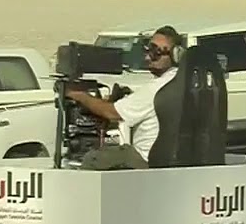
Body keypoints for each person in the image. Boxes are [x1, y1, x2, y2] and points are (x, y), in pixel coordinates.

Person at [66, 25, 182, 169]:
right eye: (148, 50)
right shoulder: (183, 82)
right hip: (170, 161)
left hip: (146, 160)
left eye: (156, 52)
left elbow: (112, 113)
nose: (147, 57)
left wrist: (79, 95)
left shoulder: (158, 88)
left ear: (176, 54)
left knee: (93, 159)